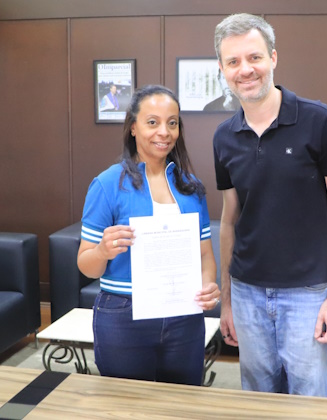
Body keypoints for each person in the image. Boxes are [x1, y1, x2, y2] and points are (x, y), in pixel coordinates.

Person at [212, 13, 327, 397]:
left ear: (273, 58)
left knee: (312, 404)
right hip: (246, 294)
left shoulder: (320, 121)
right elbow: (229, 222)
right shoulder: (224, 137)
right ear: (222, 69)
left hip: (309, 295)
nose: (245, 69)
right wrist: (227, 301)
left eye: (254, 57)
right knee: (258, 403)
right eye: (233, 61)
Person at [77, 84, 221, 385]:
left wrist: (208, 284)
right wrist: (102, 251)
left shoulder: (190, 187)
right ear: (133, 127)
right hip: (123, 316)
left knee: (182, 399)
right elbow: (87, 266)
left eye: (172, 123)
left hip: (184, 316)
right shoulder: (107, 184)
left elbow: (205, 255)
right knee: (126, 402)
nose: (164, 132)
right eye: (152, 122)